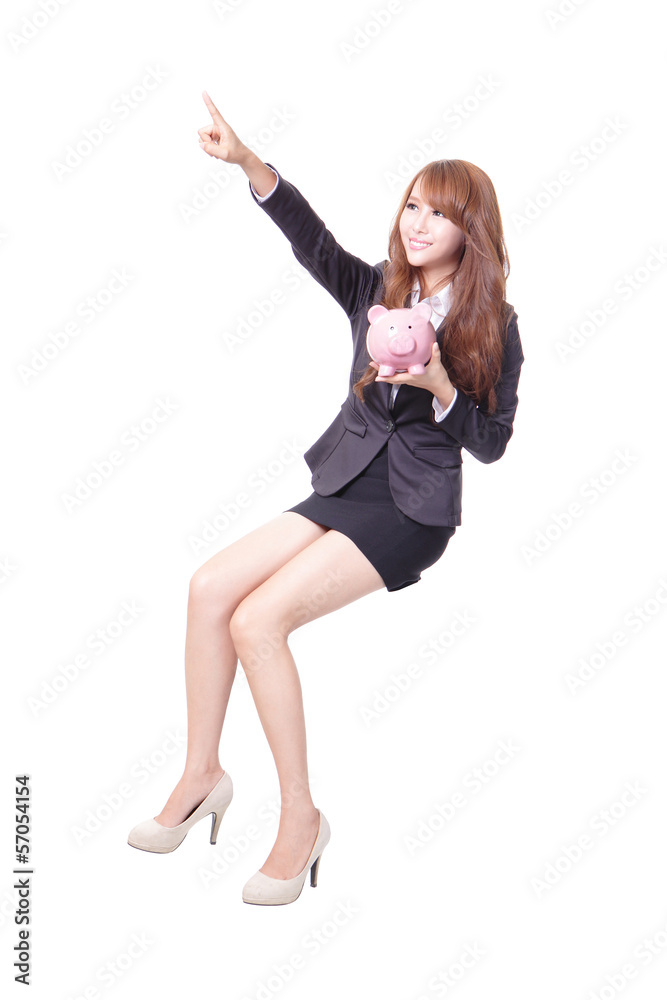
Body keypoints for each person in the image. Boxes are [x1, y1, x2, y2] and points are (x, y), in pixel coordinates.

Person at [127, 91, 525, 906]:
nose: (418, 223)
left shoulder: (493, 324)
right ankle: (202, 774)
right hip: (344, 482)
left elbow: (491, 443)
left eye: (439, 213)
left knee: (257, 621)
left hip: (411, 509)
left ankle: (300, 819)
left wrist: (442, 388)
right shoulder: (377, 290)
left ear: (469, 230)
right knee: (209, 588)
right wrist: (247, 162)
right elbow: (309, 239)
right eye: (411, 205)